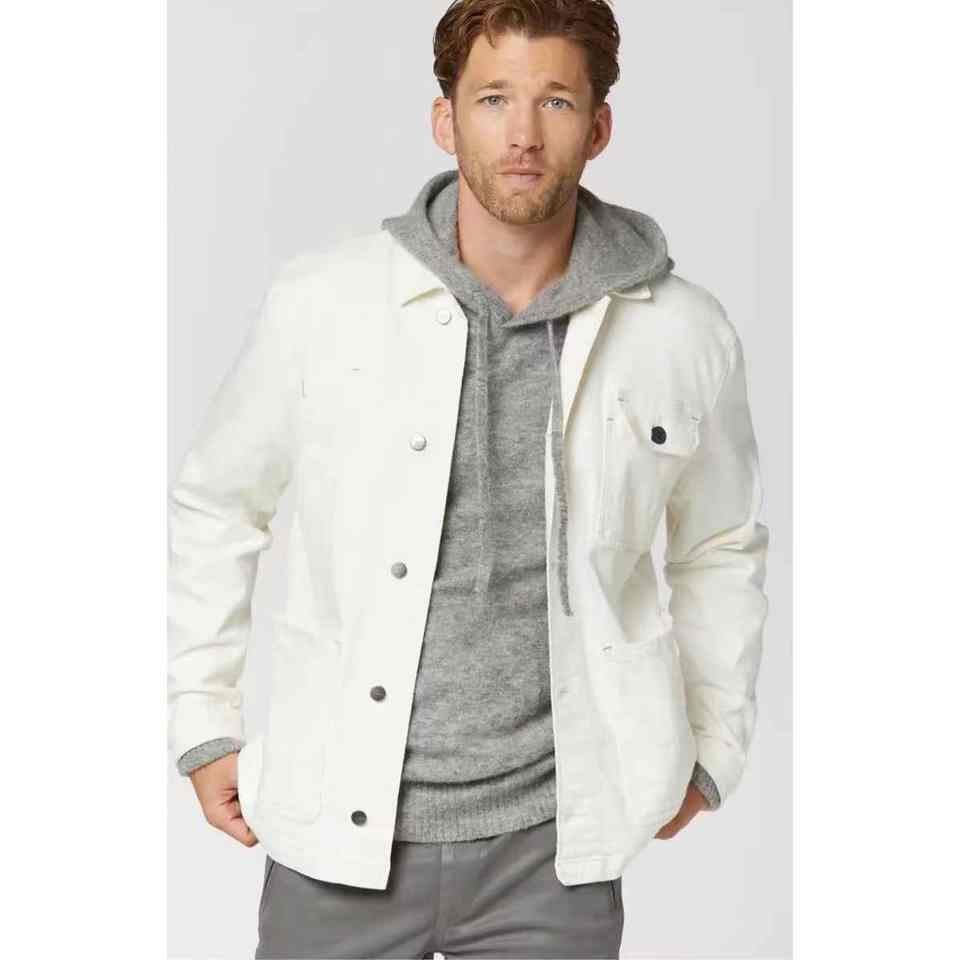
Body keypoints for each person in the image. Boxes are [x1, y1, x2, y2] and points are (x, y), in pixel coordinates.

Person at [168, 1, 770, 957]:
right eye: (493, 99)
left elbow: (720, 544)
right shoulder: (324, 302)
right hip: (338, 828)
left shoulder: (680, 330)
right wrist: (204, 724)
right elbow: (217, 507)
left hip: (554, 852)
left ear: (599, 127)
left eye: (556, 101)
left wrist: (714, 748)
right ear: (445, 120)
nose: (522, 134)